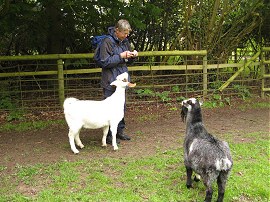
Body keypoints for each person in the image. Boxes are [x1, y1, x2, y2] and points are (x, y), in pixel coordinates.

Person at [97, 19, 138, 144]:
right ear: (117, 30)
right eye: (124, 33)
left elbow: (127, 61)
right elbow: (104, 61)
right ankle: (109, 135)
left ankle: (120, 131)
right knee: (110, 108)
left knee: (121, 107)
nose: (126, 36)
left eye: (127, 33)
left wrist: (132, 56)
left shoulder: (125, 41)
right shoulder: (107, 42)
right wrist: (121, 56)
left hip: (122, 79)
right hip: (110, 79)